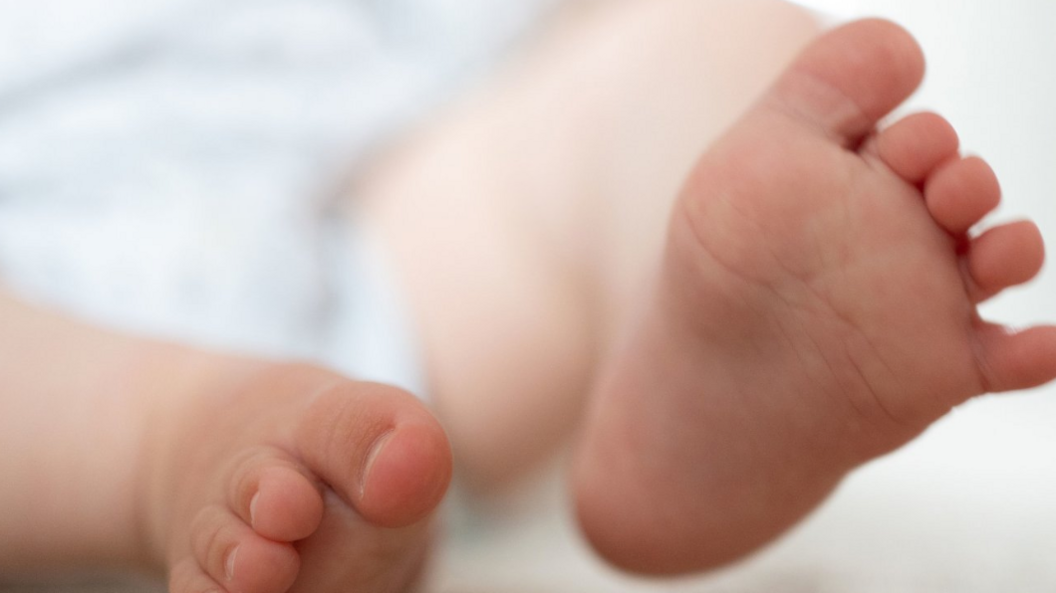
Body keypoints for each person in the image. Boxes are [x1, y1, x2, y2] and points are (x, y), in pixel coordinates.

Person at [2, 1, 1054, 592]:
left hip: (378, 200)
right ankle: (181, 438)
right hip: (38, 274)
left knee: (713, 46)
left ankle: (678, 400)